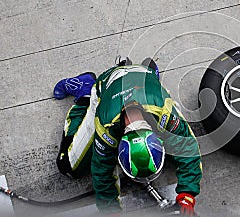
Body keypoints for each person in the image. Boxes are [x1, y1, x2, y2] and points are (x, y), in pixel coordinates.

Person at [54, 57, 202, 216]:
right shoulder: (106, 127)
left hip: (146, 82)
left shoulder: (164, 114)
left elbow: (188, 147)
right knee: (68, 166)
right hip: (108, 85)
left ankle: (149, 70)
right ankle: (84, 91)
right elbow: (102, 169)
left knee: (178, 145)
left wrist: (187, 193)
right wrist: (111, 210)